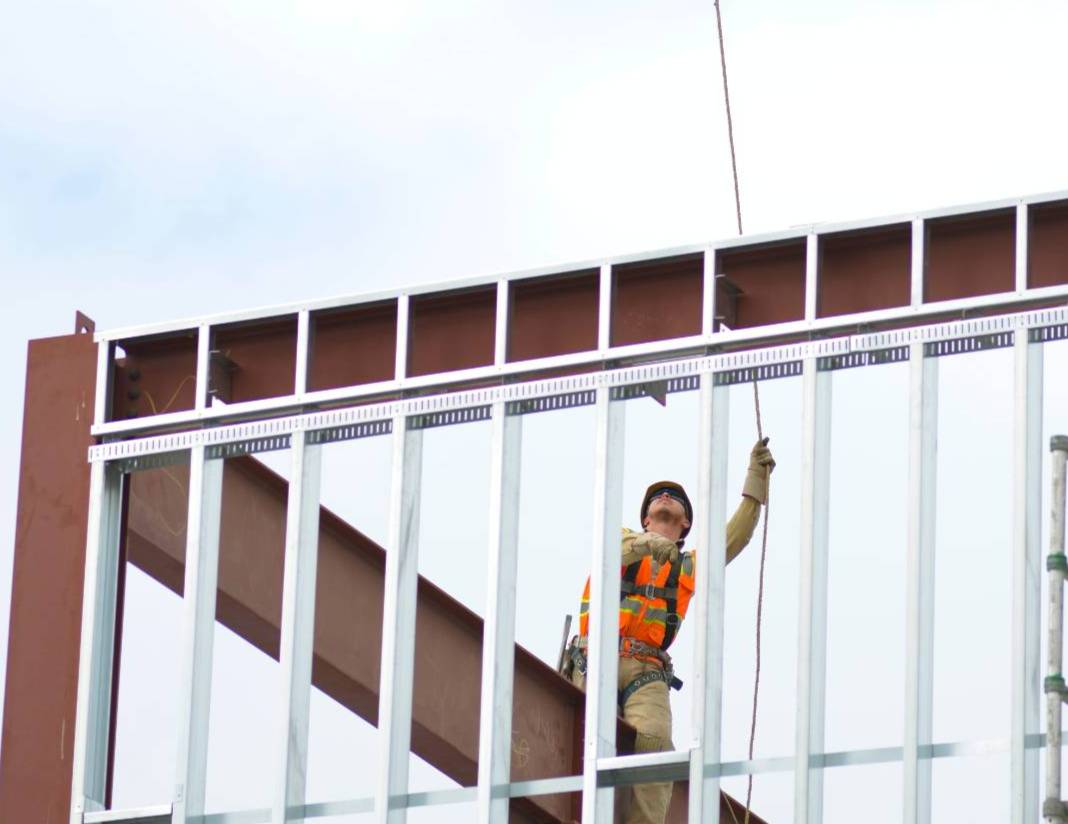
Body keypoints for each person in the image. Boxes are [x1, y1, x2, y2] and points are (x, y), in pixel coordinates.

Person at [562, 438, 776, 824]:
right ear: (645, 518)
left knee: (656, 746)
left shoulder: (687, 567)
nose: (663, 497)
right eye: (656, 497)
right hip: (596, 660)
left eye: (672, 498)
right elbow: (618, 548)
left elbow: (734, 537)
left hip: (647, 671)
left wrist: (755, 483)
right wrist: (648, 545)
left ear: (685, 524)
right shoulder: (622, 540)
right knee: (587, 738)